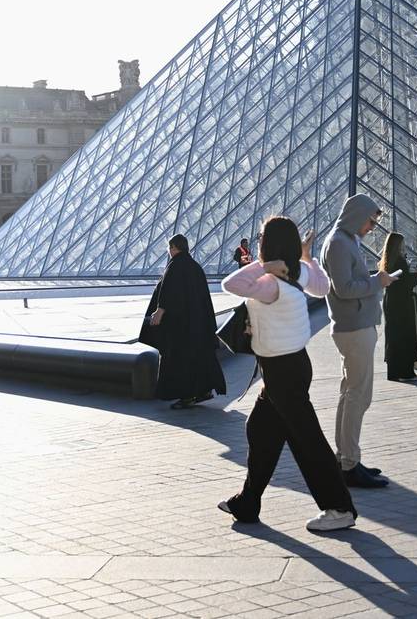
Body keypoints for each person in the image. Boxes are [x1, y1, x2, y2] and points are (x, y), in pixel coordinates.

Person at [218, 217, 357, 531]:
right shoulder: (299, 272)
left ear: (268, 245)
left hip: (282, 370)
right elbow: (322, 289)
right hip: (293, 365)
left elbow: (231, 284)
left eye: (261, 239)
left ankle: (339, 508)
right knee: (260, 430)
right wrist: (306, 257)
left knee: (307, 441)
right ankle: (248, 502)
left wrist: (264, 266)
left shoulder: (270, 284)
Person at [321, 194, 398, 489]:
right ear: (356, 215)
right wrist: (377, 282)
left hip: (356, 325)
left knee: (350, 393)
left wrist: (373, 281)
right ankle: (349, 464)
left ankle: (346, 458)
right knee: (358, 396)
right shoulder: (339, 243)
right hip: (354, 328)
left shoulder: (345, 239)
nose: (372, 226)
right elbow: (344, 289)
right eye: (370, 220)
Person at [145, 235, 226, 409]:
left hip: (180, 327)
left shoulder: (174, 266)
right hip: (198, 325)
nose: (168, 251)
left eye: (169, 247)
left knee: (180, 361)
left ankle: (187, 396)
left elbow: (167, 294)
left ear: (174, 247)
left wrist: (158, 313)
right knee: (199, 358)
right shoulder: (195, 267)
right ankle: (204, 391)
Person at [380, 233, 417, 381]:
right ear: (398, 245)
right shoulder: (400, 261)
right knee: (406, 336)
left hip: (391, 301)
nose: (404, 246)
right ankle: (406, 372)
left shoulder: (387, 260)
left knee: (393, 336)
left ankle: (394, 371)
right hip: (402, 303)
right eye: (402, 243)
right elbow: (404, 284)